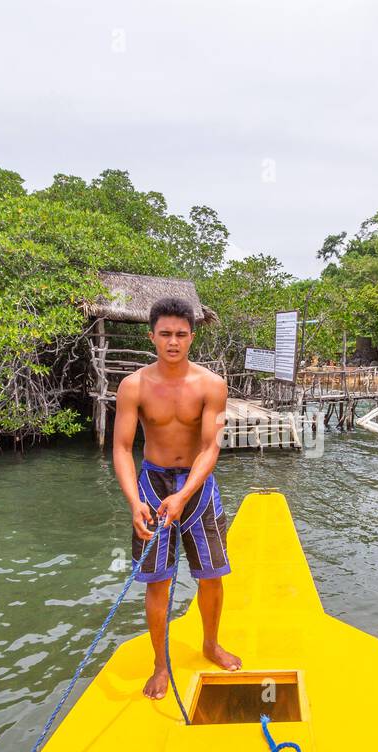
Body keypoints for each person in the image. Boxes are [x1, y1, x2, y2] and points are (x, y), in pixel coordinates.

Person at [112, 296, 240, 699]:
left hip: (198, 488)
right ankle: (159, 664)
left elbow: (211, 447)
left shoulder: (211, 385)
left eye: (180, 334)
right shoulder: (134, 386)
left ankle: (210, 643)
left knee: (212, 575)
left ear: (192, 337)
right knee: (158, 582)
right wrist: (135, 502)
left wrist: (185, 494)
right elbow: (121, 448)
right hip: (152, 484)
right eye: (165, 334)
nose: (173, 342)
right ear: (151, 336)